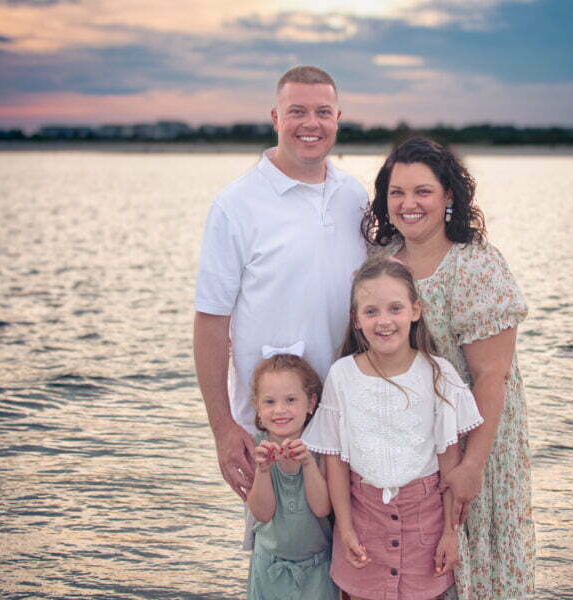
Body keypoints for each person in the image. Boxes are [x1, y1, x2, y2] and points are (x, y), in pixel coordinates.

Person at [363, 137, 534, 599]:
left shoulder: (474, 265)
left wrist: (472, 464)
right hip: (406, 443)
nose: (409, 203)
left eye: (423, 191)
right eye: (397, 192)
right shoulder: (380, 263)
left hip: (473, 438)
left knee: (472, 563)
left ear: (449, 196)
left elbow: (492, 375)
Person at [193, 65, 367, 504]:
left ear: (338, 118)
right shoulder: (236, 205)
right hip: (274, 428)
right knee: (279, 541)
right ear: (276, 118)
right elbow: (211, 322)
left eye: (323, 112)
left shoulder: (355, 196)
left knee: (353, 540)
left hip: (349, 417)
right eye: (297, 111)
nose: (311, 123)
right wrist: (223, 428)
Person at [302, 257, 484, 600]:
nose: (384, 321)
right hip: (363, 523)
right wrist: (345, 529)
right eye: (371, 312)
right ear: (356, 319)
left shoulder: (438, 374)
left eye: (395, 308)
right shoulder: (342, 376)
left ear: (415, 310)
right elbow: (336, 462)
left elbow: (449, 461)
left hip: (425, 526)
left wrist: (450, 533)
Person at [246, 351, 338, 600]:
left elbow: (322, 508)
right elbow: (262, 513)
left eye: (290, 400)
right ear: (257, 407)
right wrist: (263, 471)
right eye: (269, 402)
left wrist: (307, 463)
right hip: (269, 568)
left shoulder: (320, 448)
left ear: (310, 403)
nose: (280, 410)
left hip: (316, 570)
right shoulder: (257, 447)